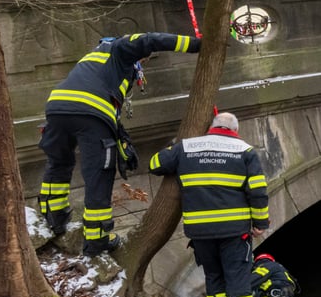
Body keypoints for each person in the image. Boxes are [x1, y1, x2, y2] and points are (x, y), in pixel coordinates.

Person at [37, 32, 201, 257]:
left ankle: (54, 219)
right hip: (91, 112)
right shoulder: (119, 48)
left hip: (57, 108)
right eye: (144, 59)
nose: (144, 60)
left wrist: (119, 134)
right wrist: (196, 44)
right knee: (99, 173)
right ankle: (97, 239)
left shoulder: (93, 59)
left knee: (59, 162)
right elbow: (149, 40)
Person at [148, 112, 270, 297]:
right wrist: (260, 223)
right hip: (234, 230)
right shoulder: (244, 151)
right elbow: (258, 191)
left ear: (212, 126)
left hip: (200, 231)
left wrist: (175, 147)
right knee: (237, 278)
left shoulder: (186, 147)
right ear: (235, 130)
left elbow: (154, 164)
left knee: (214, 276)